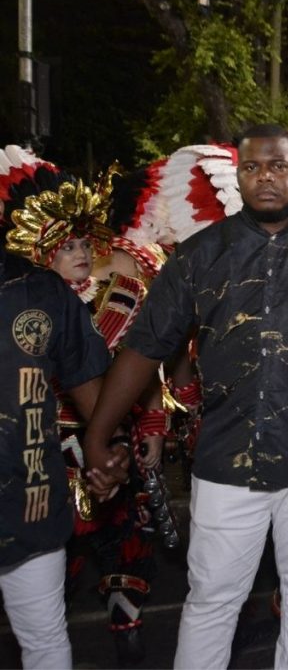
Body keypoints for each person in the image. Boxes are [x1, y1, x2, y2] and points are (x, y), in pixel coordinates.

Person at [83, 124, 288, 670]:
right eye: (251, 168)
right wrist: (97, 436)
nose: (265, 178)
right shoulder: (200, 254)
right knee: (211, 601)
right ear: (239, 175)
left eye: (278, 166)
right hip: (227, 465)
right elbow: (144, 348)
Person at [6, 171, 167, 665]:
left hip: (90, 450)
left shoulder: (119, 296)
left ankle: (124, 616)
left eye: (83, 243)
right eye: (66, 245)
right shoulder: (25, 298)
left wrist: (145, 429)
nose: (80, 253)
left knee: (122, 537)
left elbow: (143, 368)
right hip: (43, 451)